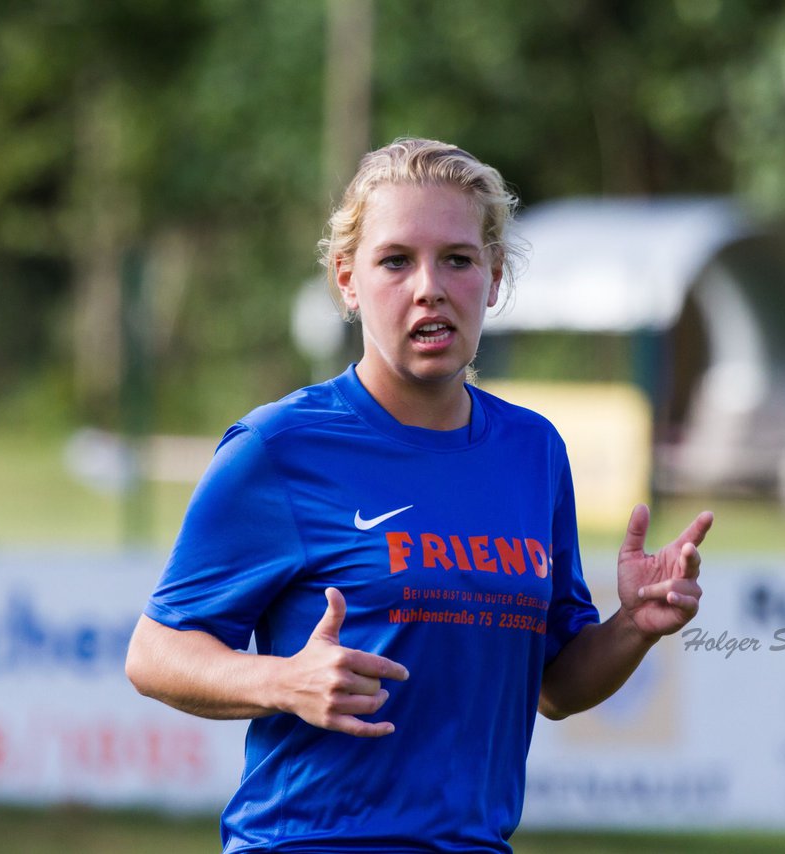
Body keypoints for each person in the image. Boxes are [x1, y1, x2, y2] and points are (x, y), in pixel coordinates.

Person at [125, 137, 712, 853]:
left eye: (458, 260)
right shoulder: (279, 448)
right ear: (347, 279)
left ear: (494, 278)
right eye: (396, 260)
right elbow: (154, 653)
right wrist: (284, 681)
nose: (429, 286)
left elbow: (555, 688)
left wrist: (634, 626)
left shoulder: (534, 452)